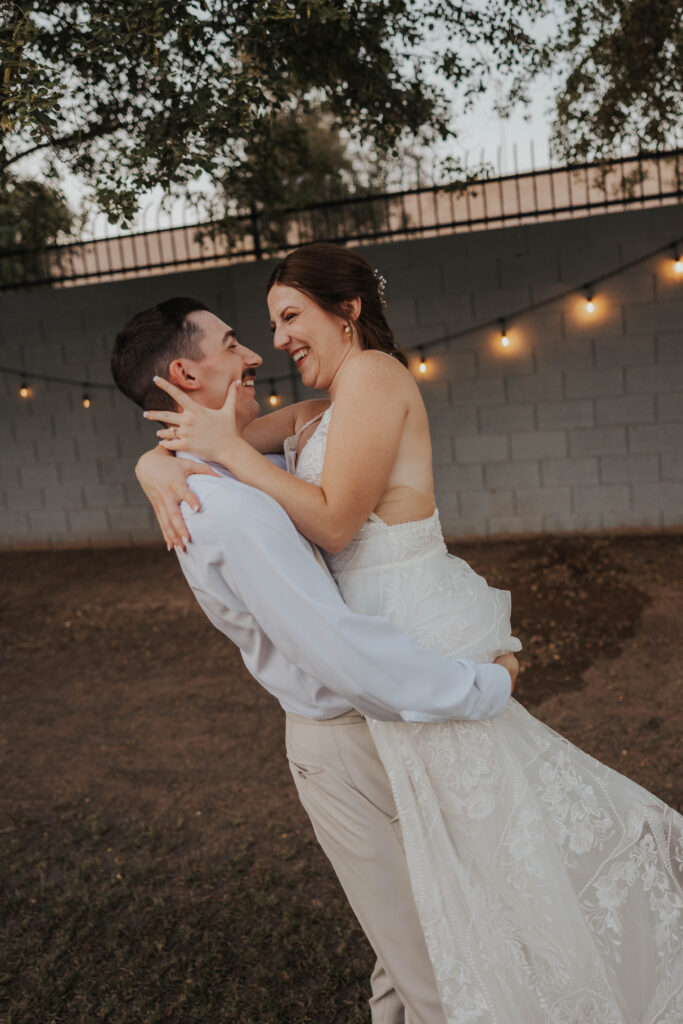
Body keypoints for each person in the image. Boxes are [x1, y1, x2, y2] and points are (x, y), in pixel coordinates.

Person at [139, 244, 683, 1023]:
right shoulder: (323, 409)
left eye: (291, 316)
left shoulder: (376, 377)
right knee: (443, 878)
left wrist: (223, 450)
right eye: (268, 324)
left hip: (411, 642)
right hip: (380, 657)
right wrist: (153, 468)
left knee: (498, 863)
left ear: (347, 311)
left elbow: (330, 520)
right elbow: (198, 446)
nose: (280, 339)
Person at [111, 296, 519, 1024]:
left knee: (418, 934)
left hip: (377, 729)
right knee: (434, 970)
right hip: (341, 742)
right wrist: (484, 685)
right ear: (185, 370)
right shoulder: (226, 509)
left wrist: (155, 458)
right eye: (233, 343)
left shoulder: (240, 469)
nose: (255, 355)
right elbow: (341, 653)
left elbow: (301, 436)